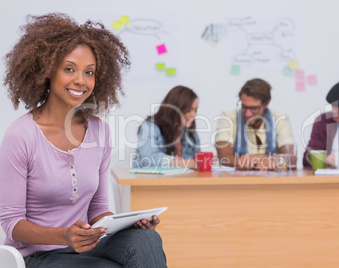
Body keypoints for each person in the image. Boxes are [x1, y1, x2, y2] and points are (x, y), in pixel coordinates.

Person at [0, 13, 166, 267]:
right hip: (38, 255)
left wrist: (128, 224)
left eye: (89, 72)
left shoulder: (100, 131)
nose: (80, 80)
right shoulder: (21, 135)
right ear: (47, 71)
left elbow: (98, 208)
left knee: (146, 240)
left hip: (88, 246)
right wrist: (65, 235)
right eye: (69, 69)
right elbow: (11, 223)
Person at [215, 78, 295, 170]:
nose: (248, 114)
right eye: (244, 107)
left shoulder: (280, 120)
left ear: (266, 103)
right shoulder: (228, 118)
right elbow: (224, 157)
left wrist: (254, 158)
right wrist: (263, 161)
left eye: (254, 109)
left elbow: (290, 158)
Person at [136, 86, 200, 168]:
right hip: (150, 179)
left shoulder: (191, 133)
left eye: (195, 110)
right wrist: (183, 163)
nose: (194, 115)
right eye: (188, 110)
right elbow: (148, 158)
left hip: (181, 179)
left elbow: (195, 160)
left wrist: (204, 161)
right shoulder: (150, 128)